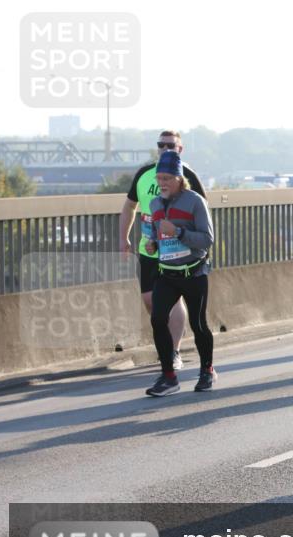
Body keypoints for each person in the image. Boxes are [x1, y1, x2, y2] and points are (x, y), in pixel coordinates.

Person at [120, 130, 206, 371]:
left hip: (178, 251)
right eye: (161, 145)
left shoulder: (187, 175)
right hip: (149, 249)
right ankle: (168, 346)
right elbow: (129, 207)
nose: (165, 148)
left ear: (180, 149)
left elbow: (202, 211)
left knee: (172, 299)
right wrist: (123, 238)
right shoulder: (145, 174)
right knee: (151, 301)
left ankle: (173, 352)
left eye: (171, 145)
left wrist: (195, 242)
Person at [144, 151, 216, 397]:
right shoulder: (155, 204)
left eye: (167, 178)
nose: (162, 183)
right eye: (159, 178)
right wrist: (153, 243)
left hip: (193, 273)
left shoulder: (195, 201)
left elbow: (207, 240)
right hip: (167, 274)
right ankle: (168, 376)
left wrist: (178, 232)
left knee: (198, 324)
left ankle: (207, 370)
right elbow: (156, 234)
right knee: (157, 319)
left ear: (179, 178)